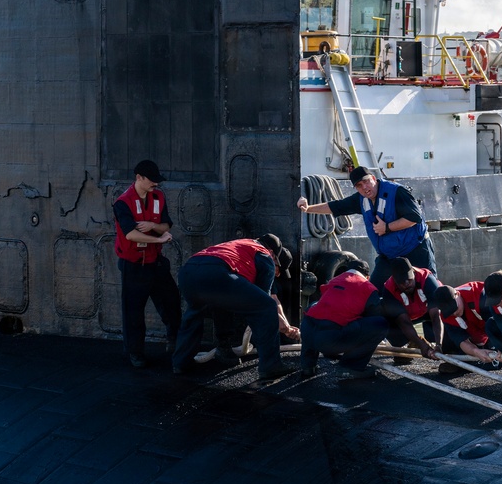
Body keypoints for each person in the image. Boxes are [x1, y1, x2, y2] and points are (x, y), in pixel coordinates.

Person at [172, 235, 299, 380]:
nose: (277, 273)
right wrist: (285, 328)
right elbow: (265, 303)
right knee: (265, 307)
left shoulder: (240, 246)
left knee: (195, 314)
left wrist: (285, 324)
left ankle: (181, 363)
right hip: (217, 272)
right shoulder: (264, 255)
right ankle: (271, 366)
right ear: (272, 253)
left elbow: (272, 298)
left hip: (189, 271)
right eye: (277, 265)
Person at [296, 166, 435, 286]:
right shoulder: (361, 199)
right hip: (389, 255)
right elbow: (336, 206)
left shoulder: (397, 192)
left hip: (415, 249)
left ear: (373, 178)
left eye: (366, 182)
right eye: (359, 186)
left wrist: (387, 227)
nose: (365, 188)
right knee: (375, 291)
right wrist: (308, 208)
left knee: (427, 287)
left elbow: (414, 218)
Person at [113, 159, 182, 368]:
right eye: (152, 181)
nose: (156, 184)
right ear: (139, 178)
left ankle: (175, 341)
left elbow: (166, 225)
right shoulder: (122, 203)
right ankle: (136, 353)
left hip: (155, 262)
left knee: (171, 302)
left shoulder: (158, 197)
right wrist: (159, 239)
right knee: (133, 312)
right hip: (133, 265)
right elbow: (131, 234)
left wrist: (154, 226)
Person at [300, 259, 388, 380]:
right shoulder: (367, 287)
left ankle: (308, 365)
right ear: (367, 276)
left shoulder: (333, 281)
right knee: (380, 324)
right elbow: (373, 316)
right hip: (330, 339)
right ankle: (351, 367)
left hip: (308, 333)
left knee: (315, 307)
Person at [380, 257, 441, 361]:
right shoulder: (389, 289)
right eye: (401, 282)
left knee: (449, 312)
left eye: (409, 279)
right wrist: (420, 343)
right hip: (407, 314)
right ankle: (403, 345)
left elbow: (436, 315)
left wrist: (439, 344)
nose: (406, 284)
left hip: (427, 311)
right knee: (382, 316)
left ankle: (452, 349)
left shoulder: (427, 279)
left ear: (413, 272)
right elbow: (404, 322)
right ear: (395, 280)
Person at [431, 282, 501, 374]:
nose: (454, 314)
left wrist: (499, 346)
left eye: (454, 308)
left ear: (458, 294)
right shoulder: (446, 316)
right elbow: (461, 340)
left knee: (492, 325)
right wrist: (476, 352)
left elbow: (498, 322)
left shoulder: (478, 294)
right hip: (475, 335)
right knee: (434, 333)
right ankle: (463, 358)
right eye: (450, 312)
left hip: (496, 327)